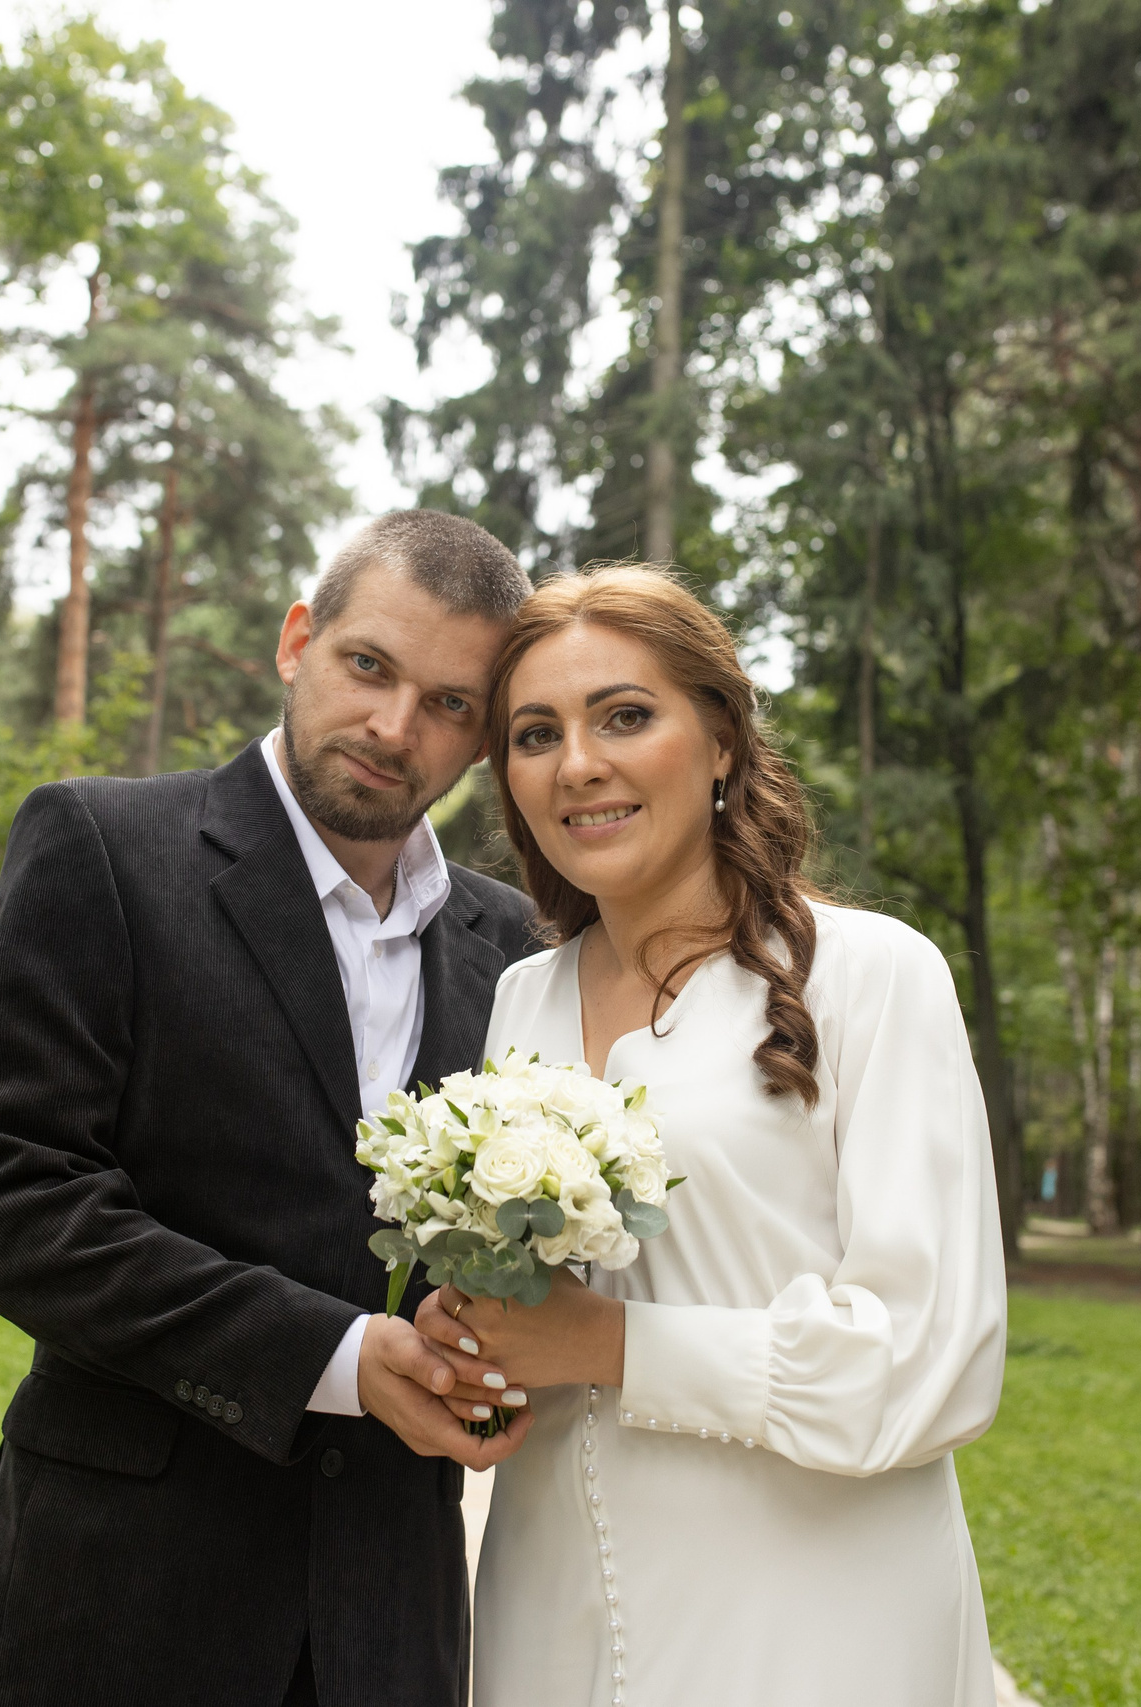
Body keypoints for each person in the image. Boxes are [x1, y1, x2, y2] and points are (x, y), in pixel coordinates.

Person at [0, 511, 545, 1707]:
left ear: (483, 736)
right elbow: (17, 1206)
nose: (391, 727)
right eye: (368, 666)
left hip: (391, 1620)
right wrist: (334, 1354)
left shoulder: (515, 949)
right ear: (297, 639)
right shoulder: (101, 846)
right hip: (117, 1598)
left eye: (448, 703)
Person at [415, 567, 1009, 1706]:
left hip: (811, 1615)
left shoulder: (871, 976)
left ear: (724, 738)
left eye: (625, 716)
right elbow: (541, 1302)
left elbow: (928, 1362)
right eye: (534, 733)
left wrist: (610, 1344)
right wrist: (475, 1330)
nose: (577, 763)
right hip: (546, 1607)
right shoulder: (521, 999)